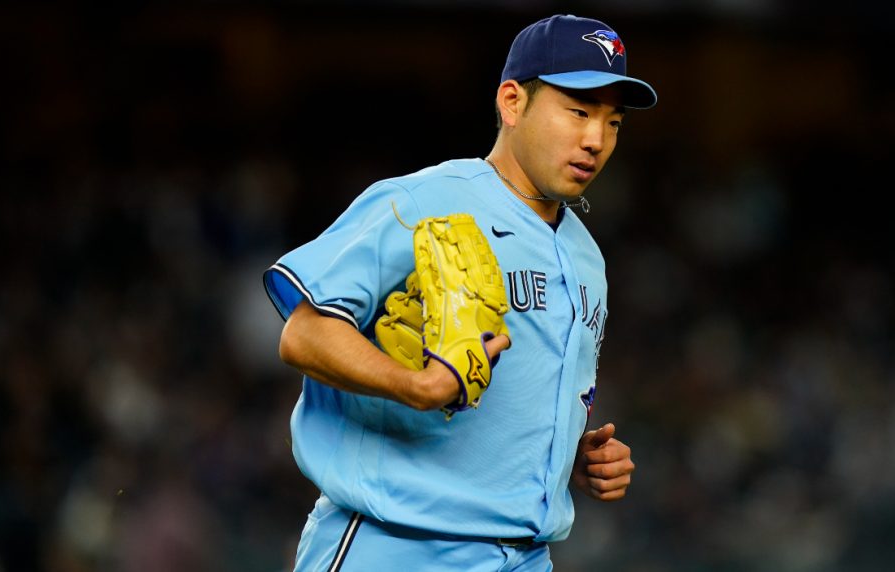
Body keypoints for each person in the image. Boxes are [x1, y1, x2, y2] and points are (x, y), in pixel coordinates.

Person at [264, 14, 657, 571]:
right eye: (578, 111)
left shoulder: (587, 255)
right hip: (398, 544)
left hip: (524, 555)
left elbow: (514, 398)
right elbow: (302, 333)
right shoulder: (425, 200)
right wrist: (414, 385)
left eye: (612, 122)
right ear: (513, 102)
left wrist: (566, 455)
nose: (595, 139)